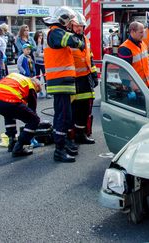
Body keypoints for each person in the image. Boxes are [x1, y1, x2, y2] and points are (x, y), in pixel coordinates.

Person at [43, 6, 85, 163]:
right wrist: (79, 42)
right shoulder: (55, 32)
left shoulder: (55, 32)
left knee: (64, 116)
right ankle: (59, 150)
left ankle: (63, 145)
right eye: (70, 22)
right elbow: (72, 41)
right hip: (59, 81)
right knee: (63, 116)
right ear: (64, 20)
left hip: (62, 81)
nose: (70, 26)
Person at [0, 73, 41, 157]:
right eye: (37, 91)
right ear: (37, 86)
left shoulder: (16, 76)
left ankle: (12, 142)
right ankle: (19, 147)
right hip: (8, 99)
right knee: (34, 120)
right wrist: (31, 130)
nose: (36, 92)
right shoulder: (31, 86)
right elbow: (32, 111)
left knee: (9, 113)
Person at [70, 13, 98, 144]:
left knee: (85, 108)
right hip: (74, 79)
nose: (78, 29)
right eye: (76, 26)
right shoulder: (69, 40)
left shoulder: (86, 40)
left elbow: (90, 57)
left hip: (86, 79)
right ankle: (73, 135)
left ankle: (81, 134)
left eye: (80, 26)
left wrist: (94, 74)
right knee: (75, 109)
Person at [118, 21, 149, 88]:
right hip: (137, 88)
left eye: (143, 32)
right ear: (132, 32)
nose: (143, 34)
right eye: (141, 32)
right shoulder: (125, 48)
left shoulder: (142, 44)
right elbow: (123, 71)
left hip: (148, 85)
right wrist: (129, 85)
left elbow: (146, 65)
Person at [33, 30, 49, 98]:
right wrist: (39, 44)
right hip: (37, 63)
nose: (40, 37)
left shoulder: (45, 43)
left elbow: (46, 53)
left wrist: (40, 54)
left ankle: (48, 92)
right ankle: (40, 92)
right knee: (37, 78)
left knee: (46, 78)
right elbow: (36, 53)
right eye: (39, 36)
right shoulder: (34, 43)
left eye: (41, 35)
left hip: (44, 63)